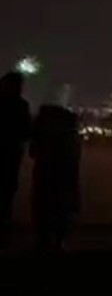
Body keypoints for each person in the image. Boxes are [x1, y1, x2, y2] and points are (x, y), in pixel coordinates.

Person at [29, 105, 81, 252]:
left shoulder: (48, 138)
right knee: (59, 207)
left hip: (47, 177)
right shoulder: (70, 138)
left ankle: (45, 238)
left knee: (44, 206)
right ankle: (58, 239)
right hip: (63, 182)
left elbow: (33, 152)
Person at [0, 71, 31, 248]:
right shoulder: (21, 105)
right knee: (6, 192)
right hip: (11, 154)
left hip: (9, 154)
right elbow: (26, 131)